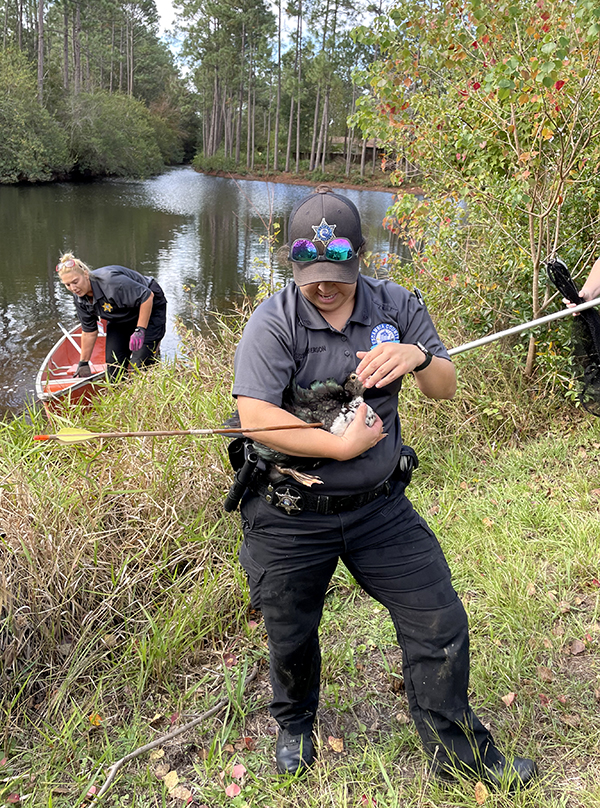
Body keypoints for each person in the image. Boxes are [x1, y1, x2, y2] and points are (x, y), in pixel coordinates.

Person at [231, 187, 538, 788]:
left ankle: (460, 758)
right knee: (290, 630)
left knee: (439, 621)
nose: (323, 288)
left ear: (361, 260)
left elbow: (445, 387)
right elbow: (255, 418)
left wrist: (417, 356)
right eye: (311, 277)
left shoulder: (396, 305)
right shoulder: (274, 321)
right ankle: (295, 723)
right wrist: (341, 445)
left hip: (380, 509)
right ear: (294, 267)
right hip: (289, 512)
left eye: (337, 277)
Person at [56, 253, 167, 378]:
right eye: (68, 285)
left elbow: (147, 296)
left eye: (75, 282)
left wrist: (140, 330)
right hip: (121, 313)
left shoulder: (111, 282)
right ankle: (121, 392)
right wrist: (83, 362)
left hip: (149, 304)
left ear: (86, 274)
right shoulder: (80, 298)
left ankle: (147, 390)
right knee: (114, 365)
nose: (73, 288)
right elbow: (89, 331)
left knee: (140, 364)